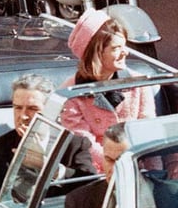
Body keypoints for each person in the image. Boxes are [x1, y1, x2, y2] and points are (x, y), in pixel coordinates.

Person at [60, 10, 155, 171]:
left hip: (138, 165)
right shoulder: (71, 92)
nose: (125, 52)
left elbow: (148, 130)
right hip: (95, 172)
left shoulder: (138, 83)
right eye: (116, 48)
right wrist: (118, 165)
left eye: (124, 45)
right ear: (96, 53)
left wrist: (155, 175)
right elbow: (84, 143)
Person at [0, 74, 96, 198]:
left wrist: (49, 167)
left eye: (32, 109)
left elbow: (89, 186)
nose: (23, 116)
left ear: (52, 111)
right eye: (18, 108)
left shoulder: (74, 145)